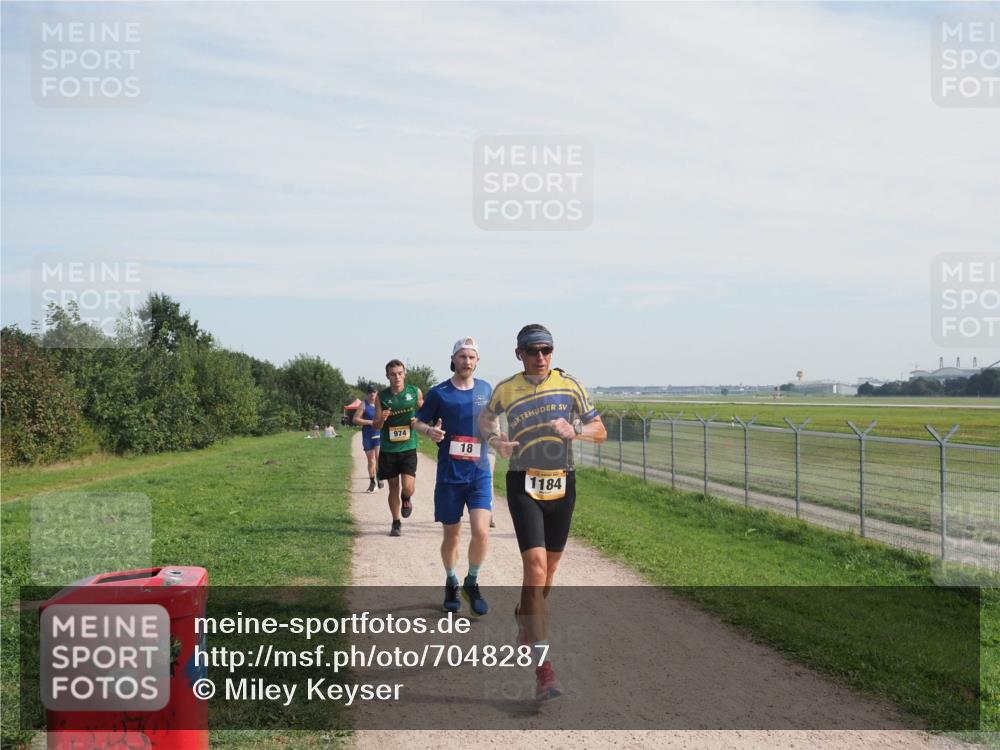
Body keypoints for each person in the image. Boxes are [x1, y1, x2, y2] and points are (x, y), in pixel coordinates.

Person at [479, 324, 606, 701]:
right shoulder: (506, 388)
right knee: (534, 569)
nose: (541, 356)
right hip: (523, 483)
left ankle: (524, 615)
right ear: (519, 353)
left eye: (547, 349)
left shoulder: (570, 386)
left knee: (546, 577)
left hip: (562, 484)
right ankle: (545, 670)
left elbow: (599, 429)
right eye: (533, 350)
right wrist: (495, 440)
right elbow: (486, 419)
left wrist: (576, 432)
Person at [414, 337, 493, 616]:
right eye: (462, 356)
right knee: (452, 536)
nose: (467, 362)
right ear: (453, 359)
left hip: (479, 474)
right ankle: (451, 581)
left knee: (482, 532)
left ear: (478, 361)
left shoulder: (486, 389)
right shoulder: (439, 393)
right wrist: (429, 432)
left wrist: (497, 437)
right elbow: (417, 421)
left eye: (472, 357)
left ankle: (472, 581)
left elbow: (491, 423)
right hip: (450, 475)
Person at [372, 360, 423, 537]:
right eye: (393, 374)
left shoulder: (414, 392)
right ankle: (395, 523)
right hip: (388, 449)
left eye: (400, 373)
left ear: (404, 374)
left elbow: (425, 412)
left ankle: (406, 498)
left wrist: (419, 420)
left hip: (408, 447)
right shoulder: (382, 397)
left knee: (407, 487)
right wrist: (382, 418)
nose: (397, 377)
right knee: (393, 487)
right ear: (387, 376)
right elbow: (375, 425)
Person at [353, 387, 383, 493]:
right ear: (367, 394)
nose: (372, 394)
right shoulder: (363, 404)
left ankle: (379, 477)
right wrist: (370, 422)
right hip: (367, 435)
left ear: (377, 393)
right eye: (370, 392)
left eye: (374, 392)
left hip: (379, 434)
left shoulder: (381, 404)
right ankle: (372, 482)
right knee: (371, 460)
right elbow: (355, 419)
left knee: (379, 458)